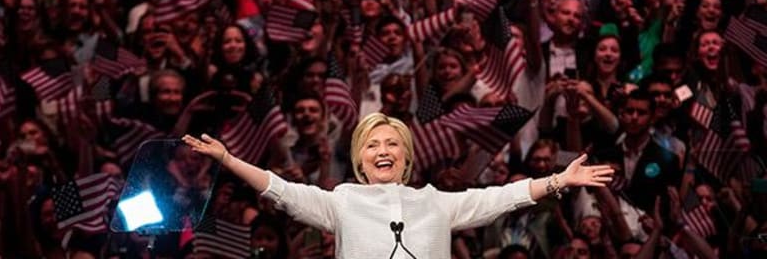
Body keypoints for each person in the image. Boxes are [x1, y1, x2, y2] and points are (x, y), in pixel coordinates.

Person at [183, 112, 614, 258]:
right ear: (359, 159)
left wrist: (559, 179)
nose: (383, 150)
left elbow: (501, 198)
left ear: (406, 157)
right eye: (372, 145)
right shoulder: (343, 200)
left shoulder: (436, 202)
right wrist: (228, 160)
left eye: (392, 143)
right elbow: (281, 190)